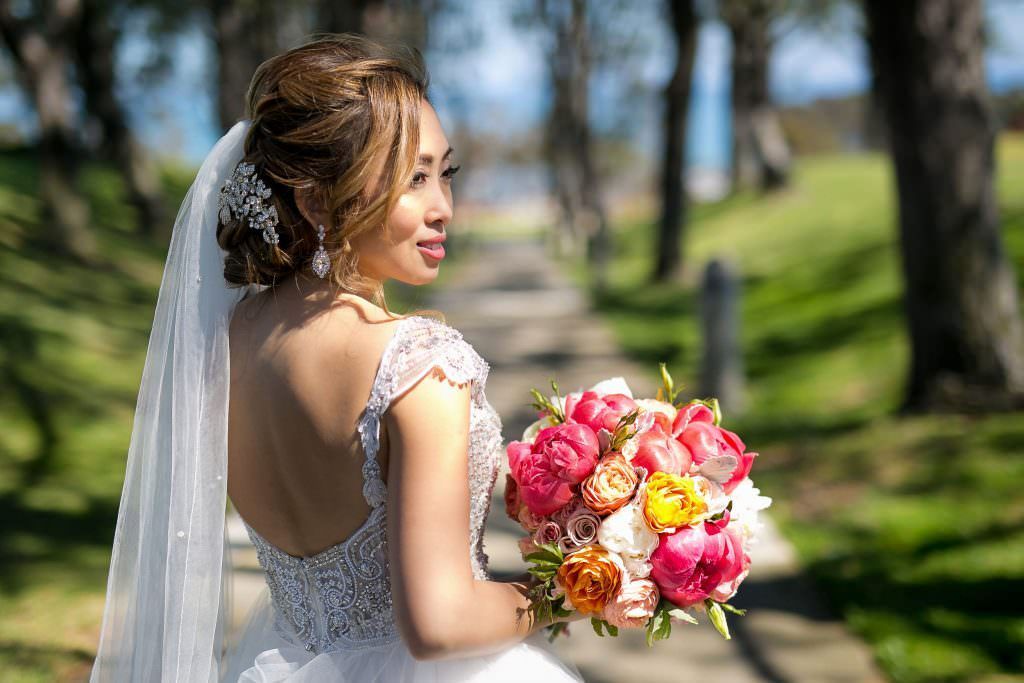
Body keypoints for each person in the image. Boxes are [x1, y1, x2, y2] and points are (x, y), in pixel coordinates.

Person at [88, 34, 585, 682]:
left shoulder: (226, 340)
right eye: (412, 178)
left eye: (445, 173)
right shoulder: (420, 367)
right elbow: (438, 623)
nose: (443, 209)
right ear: (316, 199)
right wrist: (581, 584)